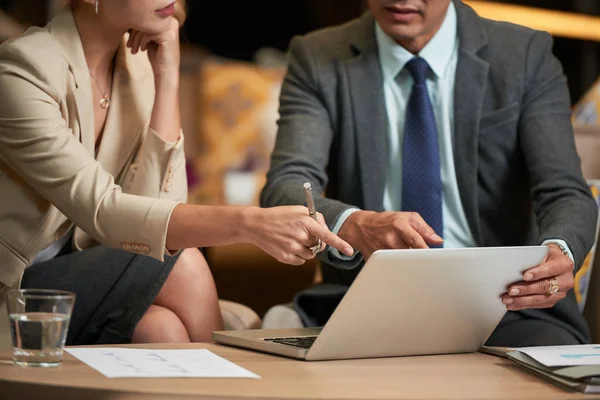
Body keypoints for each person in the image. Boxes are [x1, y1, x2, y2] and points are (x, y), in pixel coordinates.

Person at [0, 0, 354, 349]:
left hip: (86, 278)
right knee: (184, 262)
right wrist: (251, 223)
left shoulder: (133, 64)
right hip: (15, 293)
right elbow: (105, 210)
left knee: (161, 330)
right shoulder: (24, 70)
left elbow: (154, 214)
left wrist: (167, 78)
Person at [260, 0, 599, 346]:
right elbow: (285, 186)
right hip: (362, 301)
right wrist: (353, 223)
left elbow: (564, 191)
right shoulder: (317, 56)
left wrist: (558, 252)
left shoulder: (524, 54)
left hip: (507, 304)